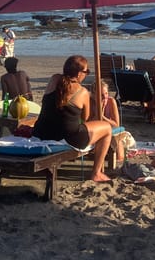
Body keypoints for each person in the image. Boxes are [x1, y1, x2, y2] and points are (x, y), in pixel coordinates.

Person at [33, 55, 113, 183]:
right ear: (79, 73)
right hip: (68, 138)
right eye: (86, 72)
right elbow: (85, 119)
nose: (86, 75)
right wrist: (99, 109)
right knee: (107, 128)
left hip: (42, 132)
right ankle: (96, 173)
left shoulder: (54, 79)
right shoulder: (82, 92)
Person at [100, 80, 125, 166]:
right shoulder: (91, 102)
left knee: (120, 156)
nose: (104, 97)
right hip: (97, 130)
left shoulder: (111, 101)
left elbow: (116, 124)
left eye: (106, 93)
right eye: (101, 95)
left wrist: (103, 117)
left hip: (110, 128)